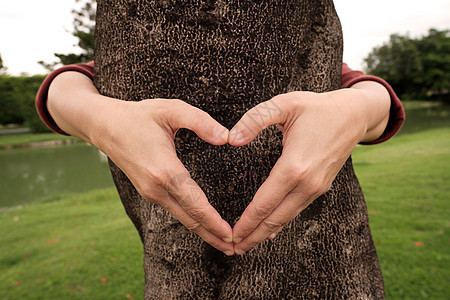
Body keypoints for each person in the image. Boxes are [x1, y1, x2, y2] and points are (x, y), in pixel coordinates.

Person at [36, 1, 404, 298]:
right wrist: (102, 121)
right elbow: (64, 88)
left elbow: (369, 97)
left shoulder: (298, 55)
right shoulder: (146, 56)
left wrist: (360, 109)